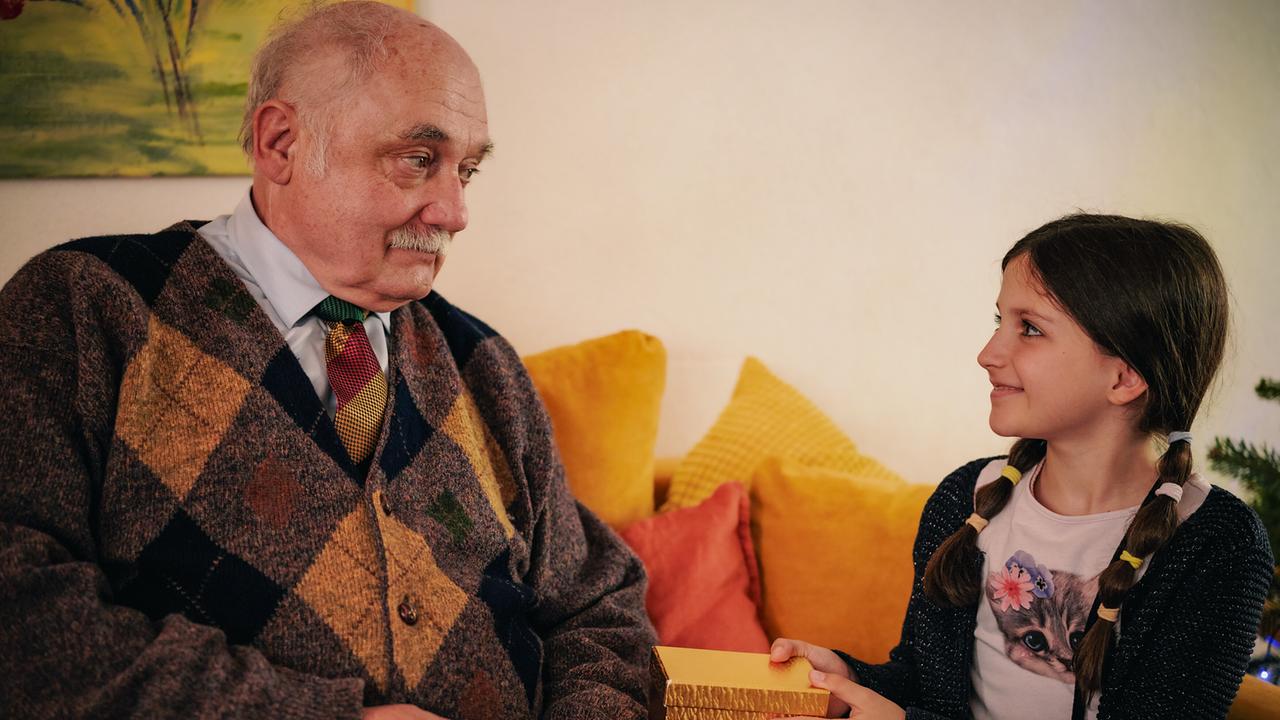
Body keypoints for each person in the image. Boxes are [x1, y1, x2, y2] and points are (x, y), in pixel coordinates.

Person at [0, 2, 655, 718]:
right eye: (417, 160)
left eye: (465, 169)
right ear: (280, 143)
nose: (456, 210)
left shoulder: (482, 363)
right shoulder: (85, 307)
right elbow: (23, 615)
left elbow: (599, 606)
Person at [771, 214, 1272, 719]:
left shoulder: (1218, 544)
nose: (988, 354)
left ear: (1124, 377)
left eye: (1029, 329)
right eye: (999, 322)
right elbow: (924, 684)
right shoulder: (967, 498)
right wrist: (848, 679)